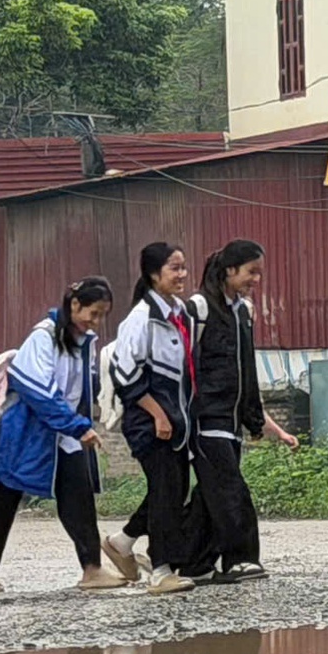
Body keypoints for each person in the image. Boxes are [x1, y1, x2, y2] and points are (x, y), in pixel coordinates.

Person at [0, 277, 125, 593]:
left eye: (101, 316)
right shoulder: (42, 338)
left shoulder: (83, 343)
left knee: (79, 499)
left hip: (63, 433)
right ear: (75, 305)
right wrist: (78, 426)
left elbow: (83, 389)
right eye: (92, 313)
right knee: (6, 497)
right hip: (27, 432)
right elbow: (40, 391)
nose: (94, 322)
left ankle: (92, 569)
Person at [183, 239, 299, 582]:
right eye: (252, 272)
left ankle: (193, 564)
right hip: (206, 419)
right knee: (231, 490)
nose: (256, 280)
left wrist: (260, 420)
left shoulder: (242, 311)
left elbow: (247, 369)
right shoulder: (198, 308)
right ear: (230, 269)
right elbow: (183, 366)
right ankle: (240, 559)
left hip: (232, 421)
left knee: (208, 496)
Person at [103, 241, 201, 594]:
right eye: (175, 268)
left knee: (172, 490)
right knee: (167, 493)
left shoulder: (179, 314)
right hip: (150, 422)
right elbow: (126, 376)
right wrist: (158, 415)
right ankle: (161, 570)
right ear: (153, 273)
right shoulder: (141, 320)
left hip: (177, 422)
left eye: (183, 267)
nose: (182, 275)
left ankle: (122, 541)